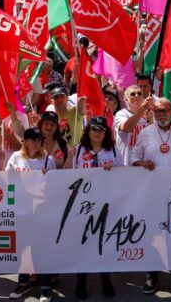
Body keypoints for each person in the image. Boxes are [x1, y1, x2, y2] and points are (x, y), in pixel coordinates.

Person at [132, 98, 171, 296]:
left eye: (165, 110)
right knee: (153, 235)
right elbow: (134, 157)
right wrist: (141, 164)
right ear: (152, 112)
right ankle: (152, 275)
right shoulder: (145, 132)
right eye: (158, 111)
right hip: (152, 193)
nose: (162, 114)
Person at [6, 127, 55, 301]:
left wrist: (47, 177)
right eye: (33, 139)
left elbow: (54, 186)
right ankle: (23, 282)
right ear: (25, 141)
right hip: (21, 209)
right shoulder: (15, 158)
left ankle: (46, 287)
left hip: (42, 210)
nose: (37, 142)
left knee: (42, 248)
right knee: (23, 248)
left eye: (39, 139)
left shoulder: (48, 160)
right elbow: (8, 181)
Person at [72, 117, 117, 299]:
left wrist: (112, 169)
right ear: (88, 131)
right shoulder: (79, 150)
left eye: (101, 129)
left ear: (105, 132)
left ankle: (105, 278)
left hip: (106, 201)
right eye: (94, 129)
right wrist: (69, 155)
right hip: (84, 203)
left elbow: (124, 173)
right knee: (82, 242)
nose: (97, 132)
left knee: (104, 241)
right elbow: (70, 174)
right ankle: (80, 280)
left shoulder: (112, 149)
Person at [115, 87, 151, 166]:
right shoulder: (121, 114)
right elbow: (126, 128)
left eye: (139, 93)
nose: (136, 96)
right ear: (126, 99)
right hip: (126, 166)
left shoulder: (150, 115)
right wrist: (143, 109)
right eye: (133, 94)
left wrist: (152, 122)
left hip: (145, 165)